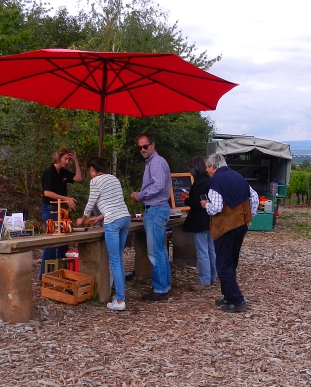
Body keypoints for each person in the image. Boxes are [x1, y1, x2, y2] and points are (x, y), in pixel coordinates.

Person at [201, 153, 259, 313]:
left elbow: (217, 207)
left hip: (225, 228)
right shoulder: (238, 177)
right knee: (231, 262)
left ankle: (237, 300)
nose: (206, 170)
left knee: (223, 264)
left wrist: (205, 205)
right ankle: (227, 297)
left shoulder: (216, 182)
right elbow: (254, 198)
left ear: (213, 166)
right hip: (241, 225)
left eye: (207, 166)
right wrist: (249, 217)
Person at [77, 157, 131, 312]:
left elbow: (90, 203)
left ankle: (120, 300)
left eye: (90, 171)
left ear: (92, 170)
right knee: (118, 259)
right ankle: (119, 295)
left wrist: (83, 219)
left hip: (113, 222)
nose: (90, 174)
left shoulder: (95, 181)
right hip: (125, 218)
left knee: (114, 260)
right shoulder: (114, 179)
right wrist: (98, 218)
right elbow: (114, 202)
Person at [130, 133, 172, 301]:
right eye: (139, 147)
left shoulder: (156, 162)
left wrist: (140, 195)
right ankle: (165, 286)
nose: (142, 150)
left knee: (155, 252)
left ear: (153, 145)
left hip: (155, 209)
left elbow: (159, 185)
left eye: (145, 146)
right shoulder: (154, 162)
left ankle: (161, 289)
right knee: (160, 250)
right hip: (155, 209)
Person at [40, 148, 81, 279]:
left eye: (69, 159)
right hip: (49, 209)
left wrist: (75, 160)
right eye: (66, 159)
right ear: (58, 158)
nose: (67, 161)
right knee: (51, 244)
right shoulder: (49, 172)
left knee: (63, 242)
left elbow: (78, 178)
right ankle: (45, 276)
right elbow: (47, 193)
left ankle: (60, 274)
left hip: (60, 211)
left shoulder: (63, 173)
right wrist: (66, 199)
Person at [182, 157, 216, 289]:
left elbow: (196, 203)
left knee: (202, 251)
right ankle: (213, 276)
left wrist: (186, 200)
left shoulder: (198, 184)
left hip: (199, 220)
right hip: (211, 218)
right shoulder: (211, 181)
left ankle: (204, 280)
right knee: (211, 249)